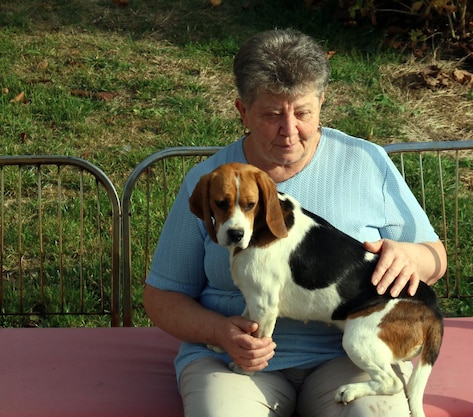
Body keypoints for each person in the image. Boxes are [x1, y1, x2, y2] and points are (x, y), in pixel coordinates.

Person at [143, 28, 447, 417]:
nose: (289, 131)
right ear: (242, 110)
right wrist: (220, 332)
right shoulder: (210, 182)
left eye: (303, 112)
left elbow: (435, 258)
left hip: (348, 357)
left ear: (322, 102)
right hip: (232, 363)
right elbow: (162, 296)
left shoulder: (366, 162)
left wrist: (411, 257)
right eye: (271, 115)